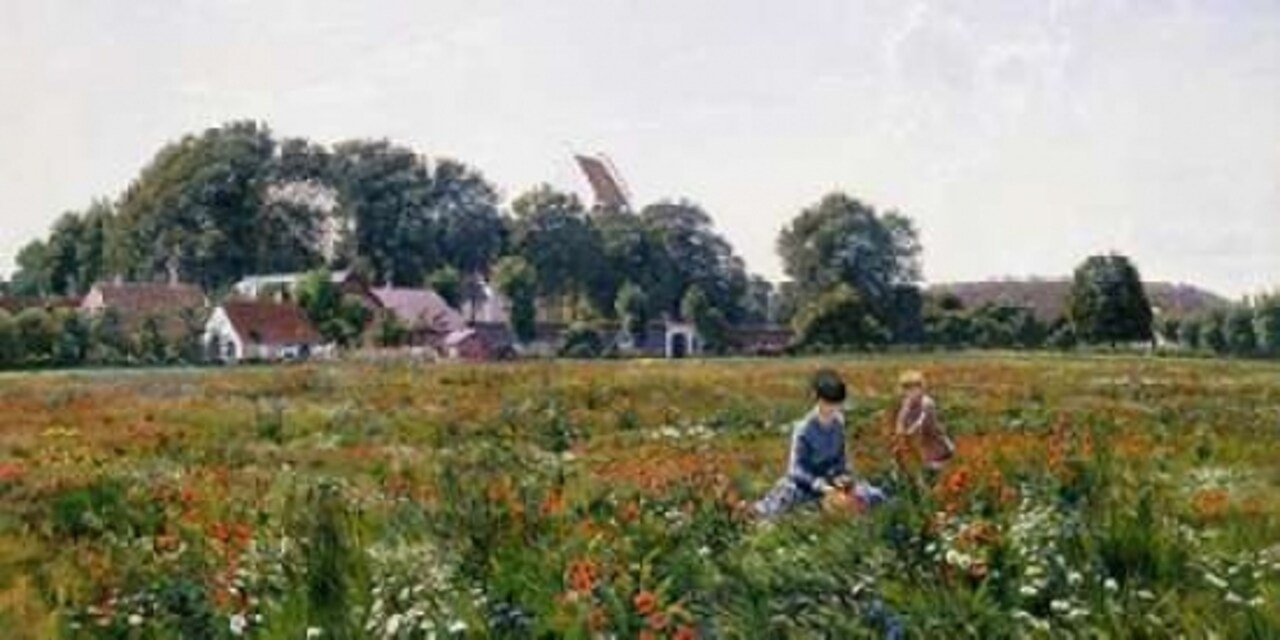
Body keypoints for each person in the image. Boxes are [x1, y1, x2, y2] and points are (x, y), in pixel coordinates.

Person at [753, 369, 885, 519]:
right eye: (827, 404)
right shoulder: (803, 428)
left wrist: (843, 476)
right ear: (817, 400)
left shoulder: (838, 424)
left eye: (836, 405)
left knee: (873, 495)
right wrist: (818, 484)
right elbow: (795, 470)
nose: (832, 409)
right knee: (783, 505)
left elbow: (841, 459)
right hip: (806, 485)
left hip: (832, 480)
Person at [894, 370, 954, 473]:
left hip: (931, 435)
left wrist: (910, 430)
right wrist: (899, 430)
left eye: (915, 387)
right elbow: (901, 418)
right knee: (904, 457)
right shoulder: (906, 402)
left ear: (922, 388)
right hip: (916, 438)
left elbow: (922, 419)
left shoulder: (927, 402)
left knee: (936, 458)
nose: (911, 391)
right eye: (907, 388)